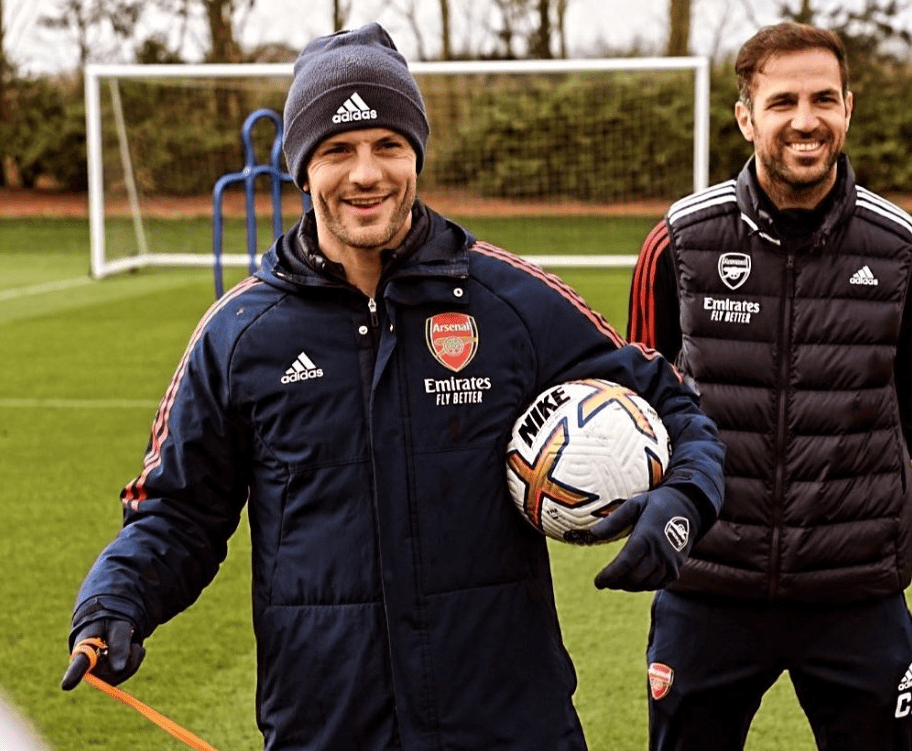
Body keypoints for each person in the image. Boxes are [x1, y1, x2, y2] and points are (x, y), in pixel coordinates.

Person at [60, 22, 727, 751]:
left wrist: (683, 497)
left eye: (387, 145)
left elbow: (670, 398)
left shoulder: (508, 301)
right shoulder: (240, 333)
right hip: (329, 725)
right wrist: (115, 599)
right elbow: (179, 510)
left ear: (416, 154)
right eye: (337, 150)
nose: (366, 173)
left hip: (508, 723)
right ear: (301, 169)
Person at [623, 22, 912, 751]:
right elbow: (646, 398)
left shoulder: (904, 252)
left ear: (847, 108)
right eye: (782, 102)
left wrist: (836, 495)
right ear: (746, 117)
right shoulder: (677, 243)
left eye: (822, 99)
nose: (805, 120)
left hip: (854, 590)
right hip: (706, 583)